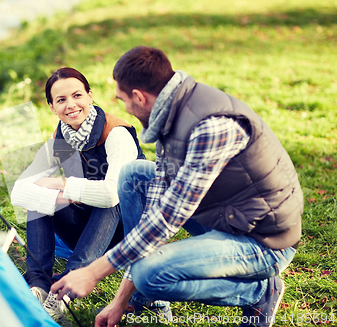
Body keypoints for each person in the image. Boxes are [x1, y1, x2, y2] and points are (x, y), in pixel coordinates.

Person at [51, 46, 303, 327]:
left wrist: (92, 272)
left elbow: (168, 218)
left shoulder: (209, 126)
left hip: (264, 241)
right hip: (228, 217)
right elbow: (155, 206)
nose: (123, 109)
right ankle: (145, 298)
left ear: (139, 97)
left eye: (123, 100)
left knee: (150, 273)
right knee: (134, 174)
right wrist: (120, 301)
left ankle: (258, 292)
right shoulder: (171, 112)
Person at [10, 67, 145, 318]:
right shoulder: (60, 141)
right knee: (38, 198)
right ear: (52, 107)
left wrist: (61, 185)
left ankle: (68, 287)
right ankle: (38, 284)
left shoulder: (115, 133)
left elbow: (110, 196)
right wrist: (62, 196)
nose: (71, 105)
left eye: (77, 95)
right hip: (85, 232)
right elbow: (19, 192)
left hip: (127, 233)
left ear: (90, 96)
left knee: (113, 195)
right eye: (61, 100)